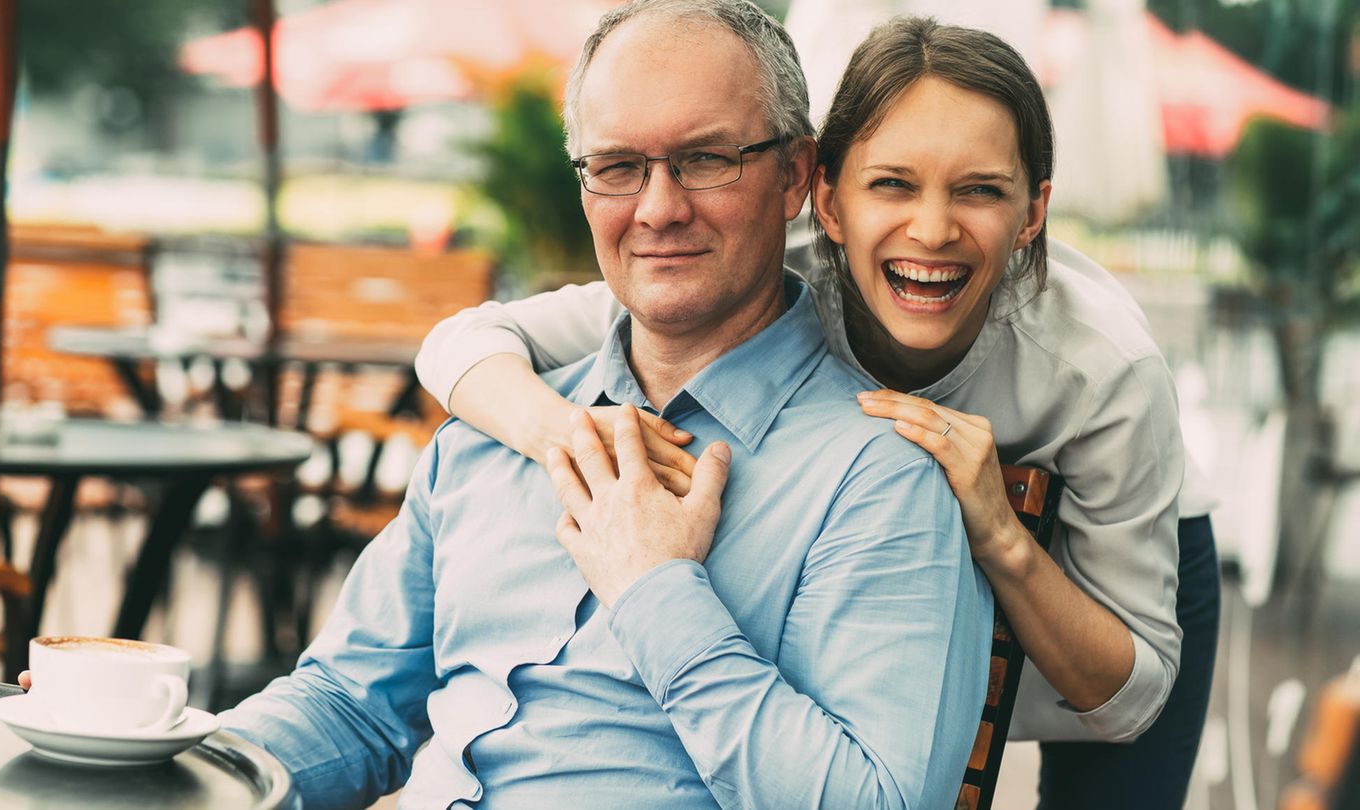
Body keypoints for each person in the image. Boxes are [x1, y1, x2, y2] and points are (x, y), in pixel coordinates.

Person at [414, 15, 1220, 810]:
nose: (932, 230)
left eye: (979, 190)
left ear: (1033, 214)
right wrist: (570, 436)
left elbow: (1128, 704)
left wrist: (1002, 539)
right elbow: (461, 344)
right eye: (892, 184)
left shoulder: (1104, 368)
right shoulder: (767, 279)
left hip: (1106, 578)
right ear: (826, 202)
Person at [219, 3, 993, 808]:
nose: (658, 209)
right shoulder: (494, 433)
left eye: (705, 159)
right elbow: (350, 704)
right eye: (619, 166)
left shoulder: (880, 477)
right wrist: (186, 765)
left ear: (796, 174)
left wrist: (658, 590)